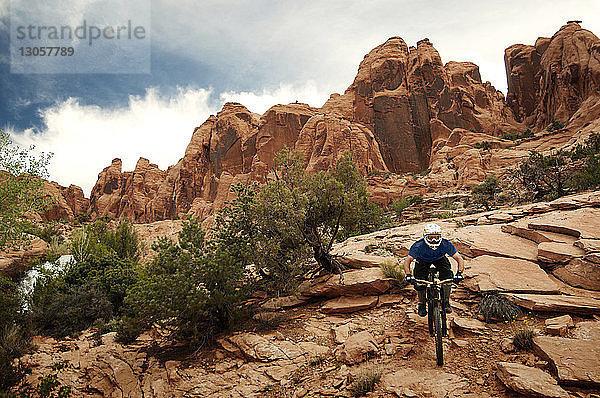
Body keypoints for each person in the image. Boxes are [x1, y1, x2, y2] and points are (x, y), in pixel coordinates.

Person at [403, 223, 464, 316]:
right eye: (431, 238)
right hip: (423, 260)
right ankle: (422, 304)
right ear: (425, 237)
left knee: (447, 277)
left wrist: (459, 273)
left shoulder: (445, 243)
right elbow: (408, 261)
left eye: (436, 237)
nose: (434, 240)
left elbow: (459, 258)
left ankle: (446, 302)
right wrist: (408, 275)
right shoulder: (418, 246)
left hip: (439, 259)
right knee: (420, 283)